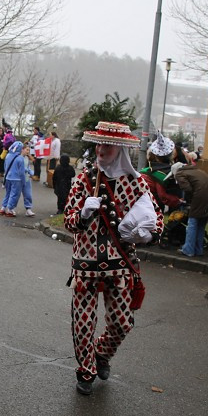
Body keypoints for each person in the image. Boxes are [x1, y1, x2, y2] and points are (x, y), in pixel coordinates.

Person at [64, 122, 161, 395]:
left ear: (119, 148)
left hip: (120, 265)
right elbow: (69, 221)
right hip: (85, 265)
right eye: (98, 144)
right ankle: (85, 370)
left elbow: (156, 220)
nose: (100, 150)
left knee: (122, 323)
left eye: (106, 145)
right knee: (83, 323)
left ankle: (102, 353)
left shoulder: (137, 183)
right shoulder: (84, 179)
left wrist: (148, 234)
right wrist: (82, 214)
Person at [172, 160, 208, 257]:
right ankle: (198, 249)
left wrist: (188, 201)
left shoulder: (180, 173)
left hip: (200, 196)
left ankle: (188, 249)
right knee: (201, 224)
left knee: (192, 223)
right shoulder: (196, 170)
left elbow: (187, 189)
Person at [0, 141, 35, 217]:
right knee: (14, 195)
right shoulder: (20, 158)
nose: (27, 151)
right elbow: (21, 172)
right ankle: (10, 209)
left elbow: (5, 167)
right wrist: (23, 181)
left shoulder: (8, 155)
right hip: (17, 179)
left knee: (8, 194)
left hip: (8, 178)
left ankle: (3, 208)